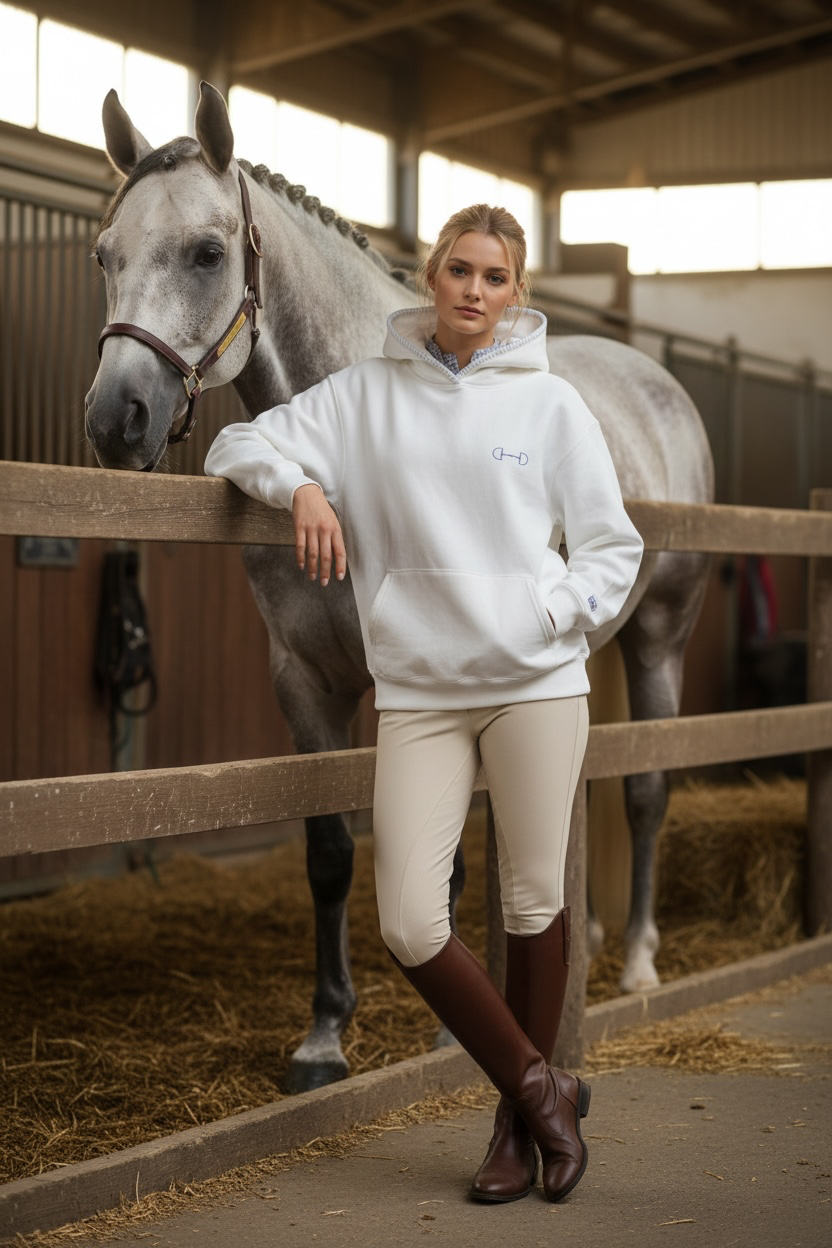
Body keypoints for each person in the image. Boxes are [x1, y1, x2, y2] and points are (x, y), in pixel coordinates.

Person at [205, 204, 643, 1204]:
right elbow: (235, 441)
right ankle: (545, 1089)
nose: (474, 290)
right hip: (419, 692)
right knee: (408, 920)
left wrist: (552, 612)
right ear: (431, 277)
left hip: (535, 683)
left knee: (533, 901)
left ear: (516, 293)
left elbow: (611, 547)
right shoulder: (364, 396)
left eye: (495, 276)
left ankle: (513, 1129)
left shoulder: (552, 406)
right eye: (459, 270)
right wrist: (299, 489)